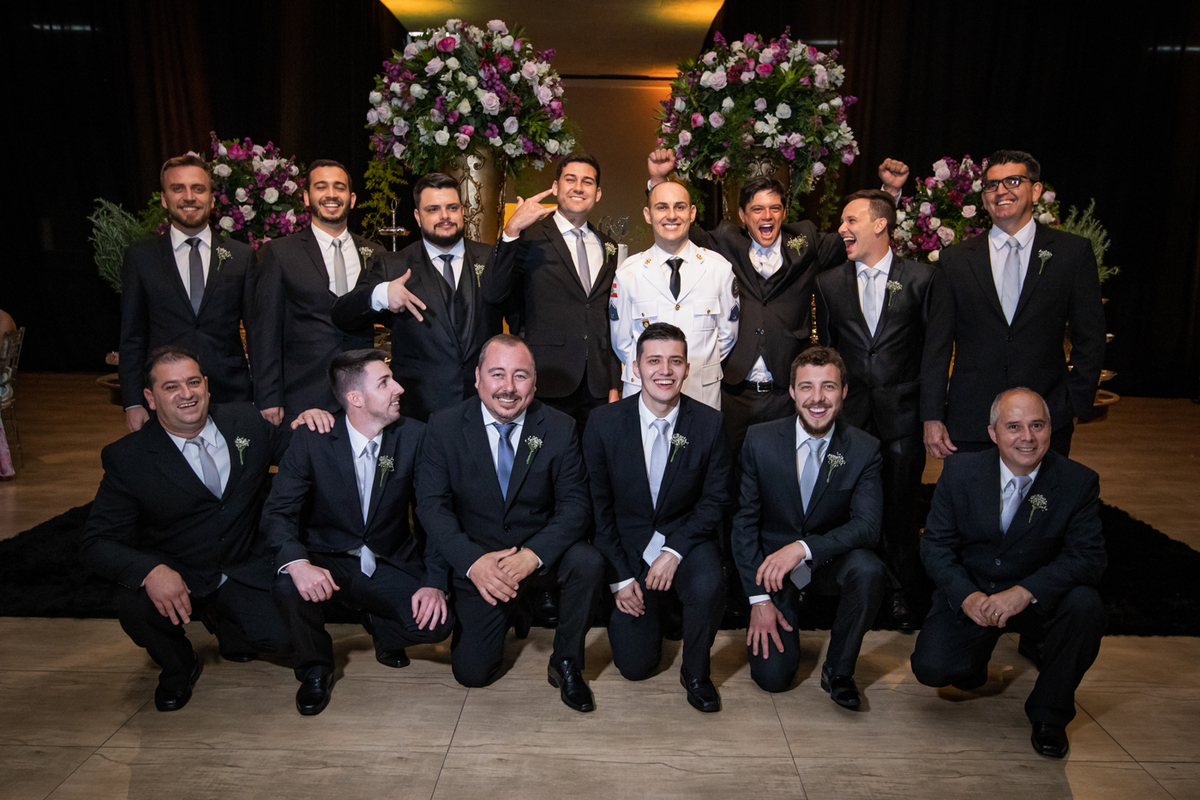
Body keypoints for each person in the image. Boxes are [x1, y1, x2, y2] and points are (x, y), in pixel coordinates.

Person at [80, 346, 332, 712]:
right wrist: (151, 571)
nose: (186, 393)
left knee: (282, 637)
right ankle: (179, 665)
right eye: (171, 387)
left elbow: (298, 452)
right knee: (132, 601)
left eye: (193, 382)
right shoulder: (128, 457)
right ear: (150, 398)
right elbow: (96, 542)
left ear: (207, 386)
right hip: (178, 569)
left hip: (243, 563)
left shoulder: (244, 421)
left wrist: (309, 423)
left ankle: (231, 624)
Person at [648, 149, 910, 453]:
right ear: (742, 215)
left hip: (787, 393)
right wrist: (658, 179)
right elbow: (675, 225)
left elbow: (856, 234)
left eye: (775, 208)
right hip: (734, 392)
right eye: (757, 209)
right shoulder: (726, 241)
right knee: (728, 469)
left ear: (784, 213)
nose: (767, 216)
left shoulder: (806, 240)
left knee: (783, 472)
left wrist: (888, 193)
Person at [911, 388, 1107, 759]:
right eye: (1014, 426)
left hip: (1035, 599)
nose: (1027, 437)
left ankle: (1049, 714)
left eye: (1037, 425)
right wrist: (967, 596)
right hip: (976, 593)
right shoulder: (960, 472)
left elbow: (1089, 557)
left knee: (1086, 605)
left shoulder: (1077, 482)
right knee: (932, 669)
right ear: (993, 433)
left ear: (1050, 428)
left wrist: (1025, 591)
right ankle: (975, 659)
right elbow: (935, 546)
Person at [416, 334, 604, 712]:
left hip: (538, 555)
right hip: (480, 560)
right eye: (497, 374)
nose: (509, 387)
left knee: (587, 562)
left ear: (534, 382)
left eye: (520, 376)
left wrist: (532, 555)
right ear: (478, 378)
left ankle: (566, 662)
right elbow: (432, 507)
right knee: (472, 673)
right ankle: (514, 609)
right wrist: (473, 562)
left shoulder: (560, 427)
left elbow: (576, 507)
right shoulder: (444, 426)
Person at [263, 349, 453, 716]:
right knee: (288, 585)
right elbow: (278, 512)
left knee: (438, 622)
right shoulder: (312, 438)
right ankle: (316, 668)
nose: (399, 388)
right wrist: (298, 563)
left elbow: (433, 514)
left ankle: (380, 625)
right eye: (384, 382)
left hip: (388, 558)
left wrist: (433, 581)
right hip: (327, 558)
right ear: (355, 398)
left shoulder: (415, 436)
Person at [816, 190, 951, 628]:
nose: (842, 229)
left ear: (880, 225)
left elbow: (935, 353)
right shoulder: (829, 282)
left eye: (850, 220)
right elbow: (829, 354)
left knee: (900, 510)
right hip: (850, 420)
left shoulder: (922, 279)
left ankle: (901, 594)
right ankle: (853, 589)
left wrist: (932, 416)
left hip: (903, 418)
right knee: (849, 507)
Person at [583, 323, 731, 712]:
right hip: (628, 548)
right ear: (635, 368)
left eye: (675, 361)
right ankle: (658, 615)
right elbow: (598, 507)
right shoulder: (603, 423)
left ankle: (696, 672)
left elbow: (715, 500)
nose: (665, 371)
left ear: (687, 369)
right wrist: (619, 577)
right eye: (654, 361)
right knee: (635, 668)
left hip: (685, 539)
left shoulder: (709, 423)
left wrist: (675, 550)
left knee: (708, 581)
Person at [922, 150, 1106, 458]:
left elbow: (1091, 336)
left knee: (1043, 492)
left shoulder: (1071, 254)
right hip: (971, 420)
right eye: (992, 185)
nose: (1001, 191)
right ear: (984, 199)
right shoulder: (955, 260)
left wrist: (1073, 404)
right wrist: (932, 415)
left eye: (1013, 181)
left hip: (1046, 418)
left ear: (1035, 190)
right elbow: (936, 345)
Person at [732, 346, 886, 708]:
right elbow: (743, 524)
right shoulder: (759, 440)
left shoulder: (865, 449)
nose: (817, 398)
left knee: (869, 569)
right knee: (772, 679)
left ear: (843, 391)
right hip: (774, 574)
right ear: (791, 391)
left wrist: (803, 548)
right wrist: (758, 599)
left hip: (827, 563)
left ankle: (839, 670)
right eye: (807, 387)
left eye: (828, 387)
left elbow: (867, 526)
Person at [330, 174, 502, 422]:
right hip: (419, 411)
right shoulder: (393, 264)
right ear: (418, 216)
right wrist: (381, 294)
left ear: (462, 211)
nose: (444, 216)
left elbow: (521, 320)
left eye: (452, 207)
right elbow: (342, 314)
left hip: (485, 407)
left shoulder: (491, 258)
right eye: (433, 209)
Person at [479, 153, 623, 435]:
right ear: (556, 187)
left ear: (598, 193)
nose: (578, 187)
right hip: (545, 379)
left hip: (597, 386)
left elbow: (609, 318)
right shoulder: (528, 236)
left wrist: (613, 382)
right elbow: (493, 292)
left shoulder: (608, 245)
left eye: (587, 182)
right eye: (570, 180)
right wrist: (511, 229)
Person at [119, 155, 256, 433]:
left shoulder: (241, 256)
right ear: (164, 198)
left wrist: (266, 396)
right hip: (165, 398)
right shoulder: (140, 257)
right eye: (178, 188)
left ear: (212, 199)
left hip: (231, 394)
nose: (189, 197)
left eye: (198, 188)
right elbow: (132, 336)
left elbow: (258, 334)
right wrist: (132, 402)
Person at [251, 159, 386, 422]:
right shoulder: (279, 253)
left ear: (352, 199)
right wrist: (268, 396)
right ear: (306, 197)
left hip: (364, 397)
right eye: (321, 187)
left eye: (339, 187)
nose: (331, 194)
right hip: (303, 396)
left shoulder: (375, 253)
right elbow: (265, 330)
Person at [610, 181, 738, 410]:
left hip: (701, 393)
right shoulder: (628, 273)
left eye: (679, 207)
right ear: (648, 215)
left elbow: (727, 336)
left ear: (692, 213)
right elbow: (622, 343)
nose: (671, 215)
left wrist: (697, 364)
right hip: (645, 395)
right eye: (662, 207)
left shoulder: (719, 269)